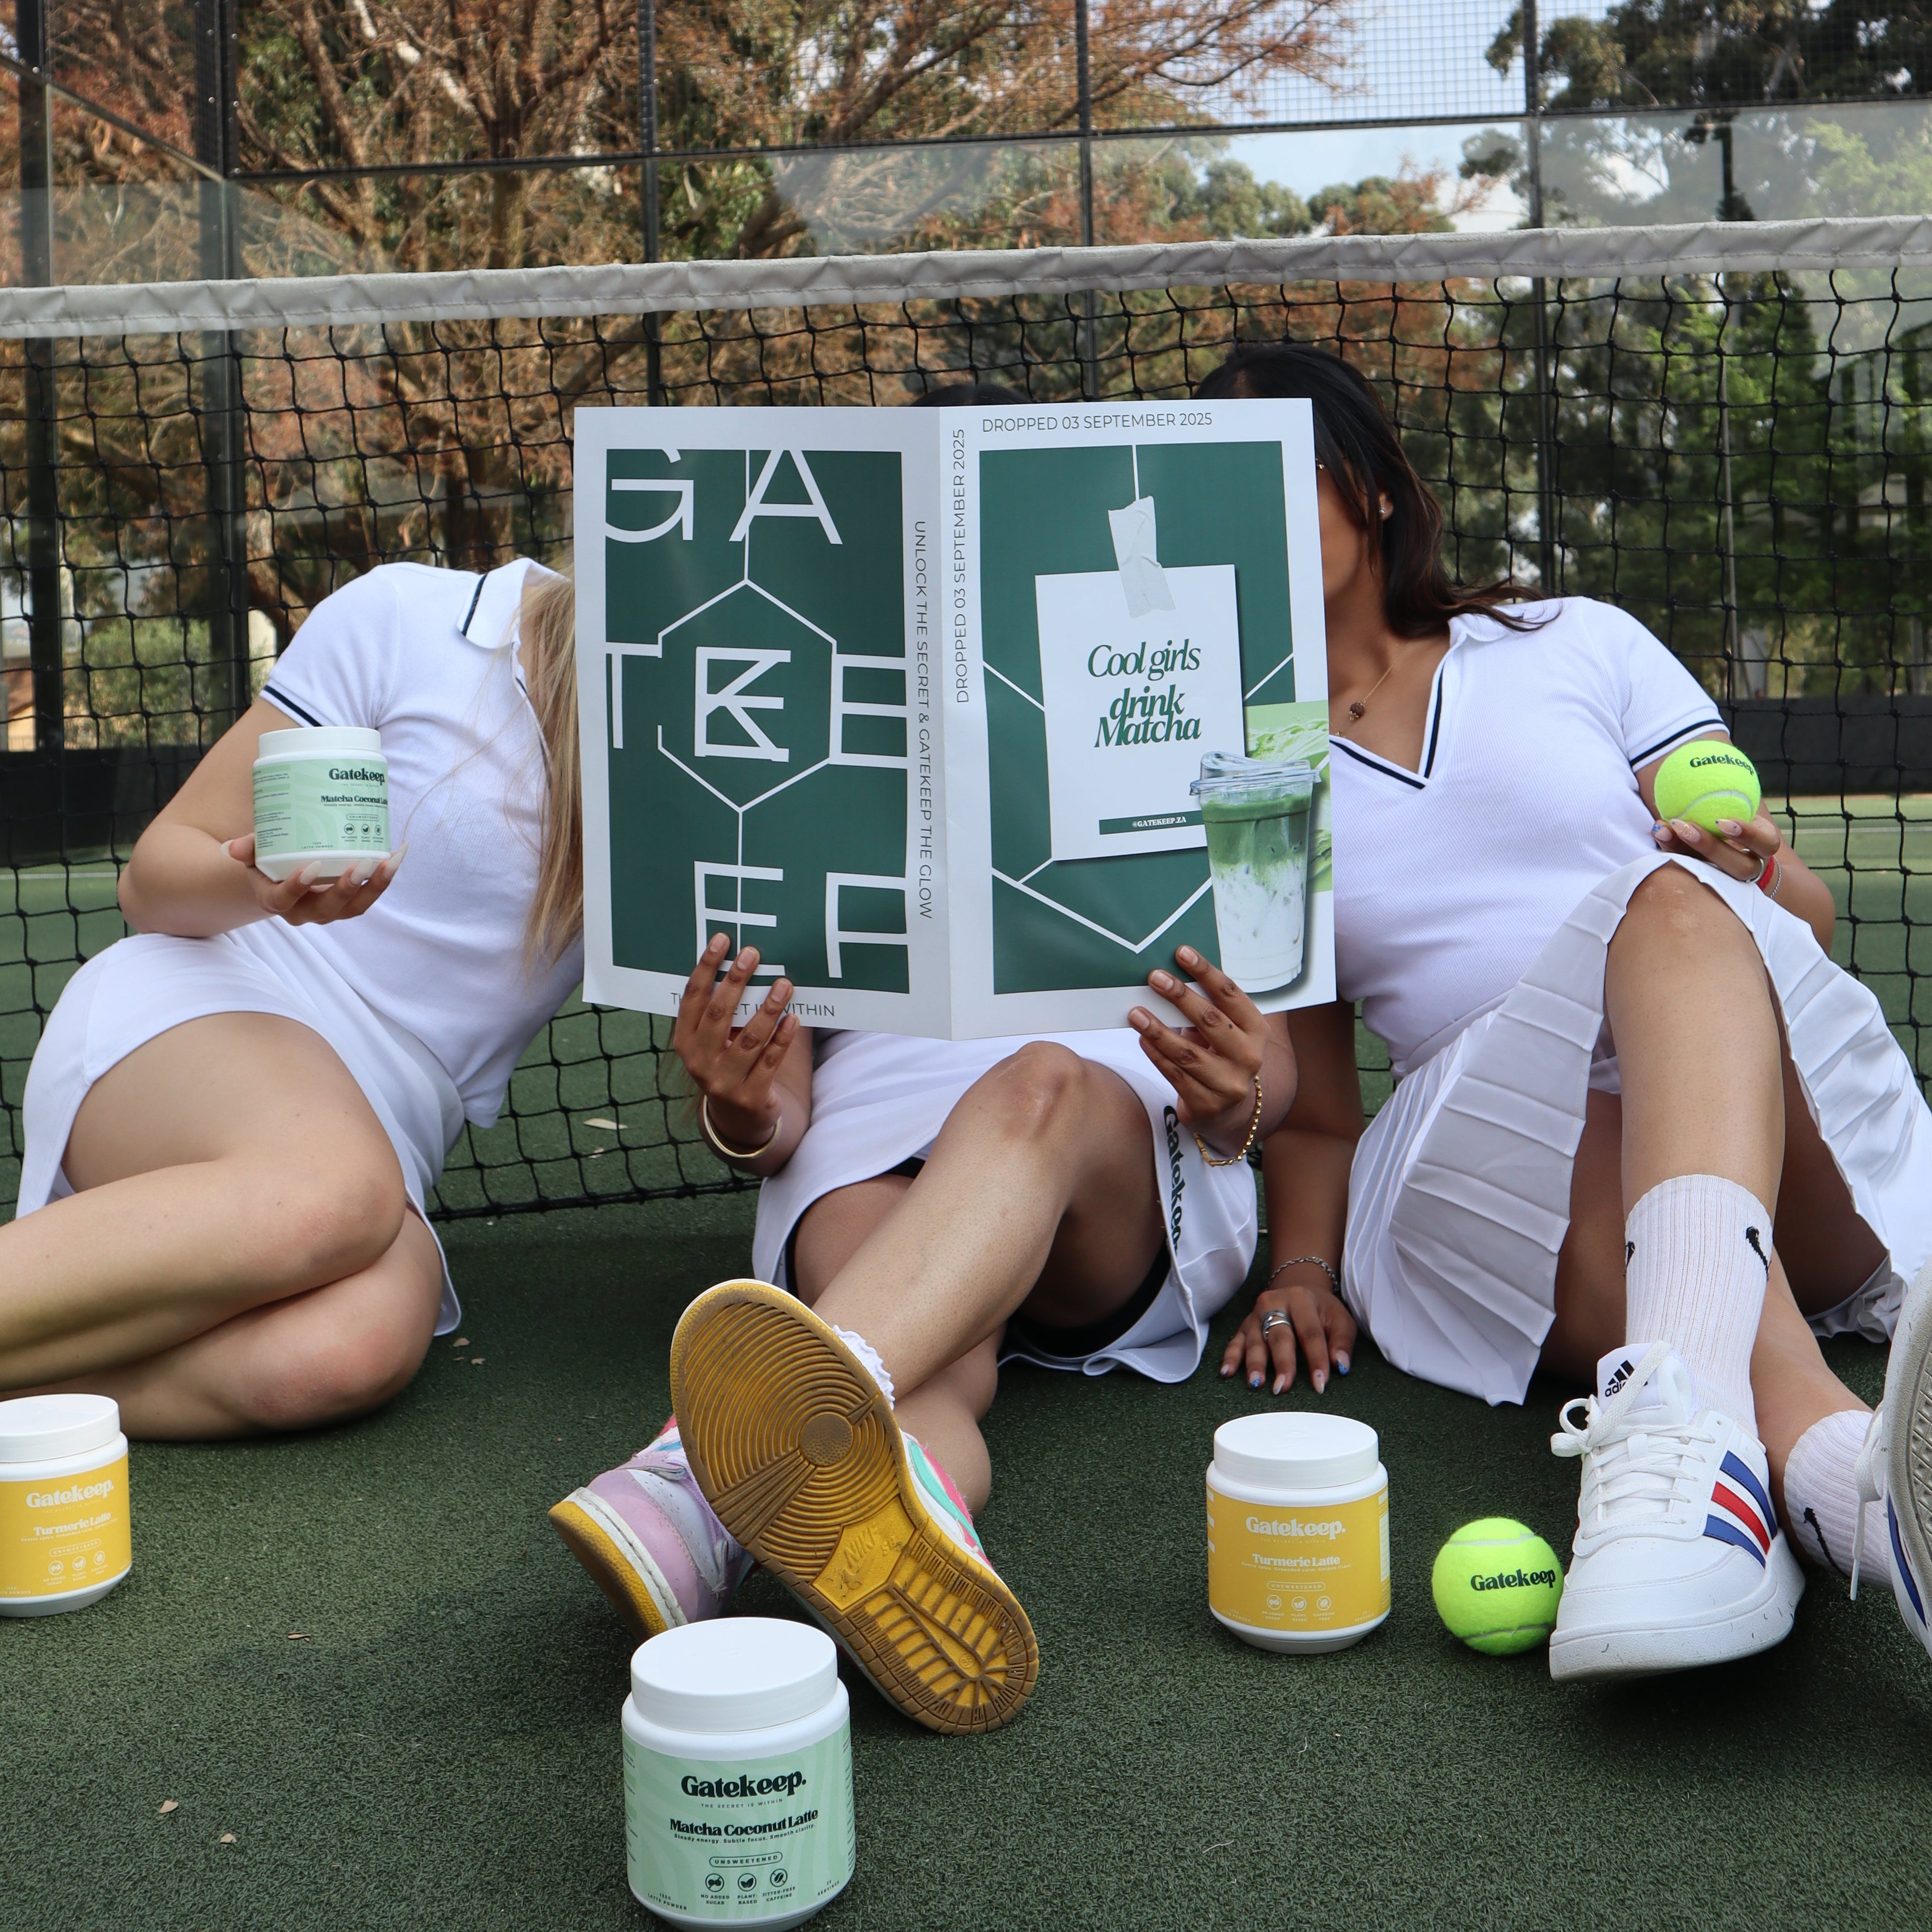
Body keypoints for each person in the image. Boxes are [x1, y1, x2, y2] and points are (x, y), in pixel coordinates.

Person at [548, 383, 1292, 1735]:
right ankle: (905, 1528)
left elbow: (1273, 1078)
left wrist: (1239, 1097)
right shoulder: (804, 735)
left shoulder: (1226, 682)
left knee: (1036, 1083)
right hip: (870, 1142)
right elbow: (773, 1123)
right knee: (918, 1378)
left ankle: (696, 1489)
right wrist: (735, 1100)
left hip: (1105, 1149)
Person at [1200, 342, 1932, 1680]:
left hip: (1733, 1062)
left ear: (1372, 484)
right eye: (1221, 489)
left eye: (1281, 469)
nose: (1254, 514)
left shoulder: (1573, 639)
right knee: (1630, 1132)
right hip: (1472, 1149)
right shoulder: (1259, 761)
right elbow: (1312, 1111)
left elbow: (1808, 919)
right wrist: (1301, 1267)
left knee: (1664, 906)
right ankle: (1854, 1496)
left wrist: (1746, 871)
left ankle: (1694, 1455)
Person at [0, 557, 584, 1437]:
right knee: (334, 1192)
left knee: (350, 1348)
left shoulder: (715, 752)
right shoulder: (412, 616)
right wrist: (263, 889)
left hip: (386, 1128)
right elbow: (153, 879)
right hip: (211, 1002)